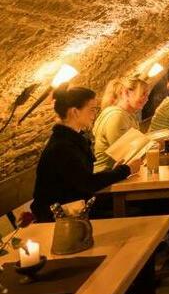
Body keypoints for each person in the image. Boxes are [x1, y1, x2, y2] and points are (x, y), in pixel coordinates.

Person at [31, 87, 142, 222]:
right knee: (140, 209)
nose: (94, 114)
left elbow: (82, 179)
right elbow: (88, 183)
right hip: (61, 216)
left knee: (139, 204)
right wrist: (126, 170)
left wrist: (115, 171)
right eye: (92, 109)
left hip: (77, 207)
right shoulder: (62, 147)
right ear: (75, 112)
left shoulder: (71, 139)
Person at [92, 75, 150, 172]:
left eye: (147, 95)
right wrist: (154, 146)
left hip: (120, 173)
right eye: (143, 94)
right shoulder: (116, 116)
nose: (146, 99)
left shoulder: (129, 115)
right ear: (126, 93)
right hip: (107, 176)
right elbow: (127, 156)